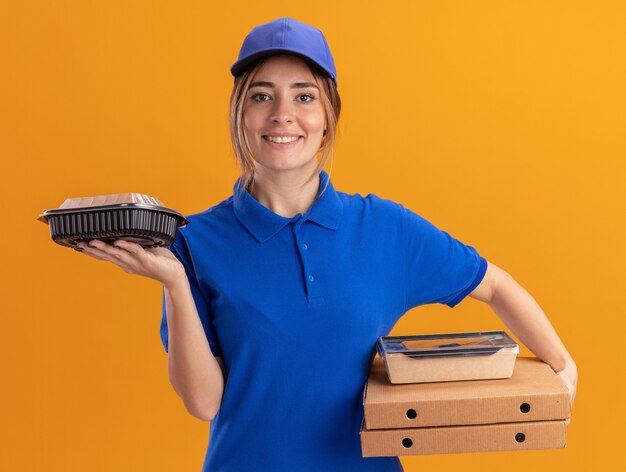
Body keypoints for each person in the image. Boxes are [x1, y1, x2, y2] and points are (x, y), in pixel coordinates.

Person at [75, 17, 577, 472]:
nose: (282, 114)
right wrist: (174, 282)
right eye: (261, 95)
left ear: (329, 114)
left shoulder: (384, 228)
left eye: (304, 96)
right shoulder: (195, 241)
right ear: (239, 112)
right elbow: (204, 403)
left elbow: (494, 285)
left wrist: (562, 366)